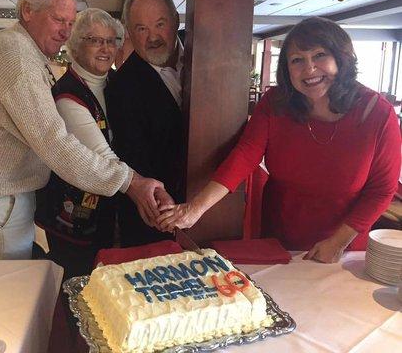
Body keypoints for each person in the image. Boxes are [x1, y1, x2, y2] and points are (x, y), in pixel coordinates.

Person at [0, 0, 164, 260]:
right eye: (58, 20)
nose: (65, 31)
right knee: (10, 290)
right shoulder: (16, 59)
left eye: (70, 23)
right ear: (27, 10)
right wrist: (130, 182)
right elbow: (56, 144)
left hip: (0, 198)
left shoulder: (20, 50)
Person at [156, 17, 401, 263]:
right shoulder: (276, 102)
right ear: (286, 69)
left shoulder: (377, 113)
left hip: (343, 248)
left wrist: (338, 242)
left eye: (319, 55)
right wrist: (196, 208)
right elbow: (246, 154)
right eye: (297, 60)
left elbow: (381, 190)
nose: (309, 69)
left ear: (342, 58)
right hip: (279, 239)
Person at [35, 8, 126, 277]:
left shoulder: (115, 84)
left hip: (108, 210)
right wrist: (140, 187)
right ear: (75, 44)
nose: (105, 48)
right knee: (77, 283)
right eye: (95, 40)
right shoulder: (67, 95)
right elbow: (102, 155)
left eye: (111, 41)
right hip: (73, 218)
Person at [106, 0, 184, 247]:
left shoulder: (205, 55)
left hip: (208, 208)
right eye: (141, 29)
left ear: (176, 20)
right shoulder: (121, 87)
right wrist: (162, 201)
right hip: (155, 215)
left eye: (160, 24)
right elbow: (133, 156)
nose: (153, 37)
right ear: (129, 32)